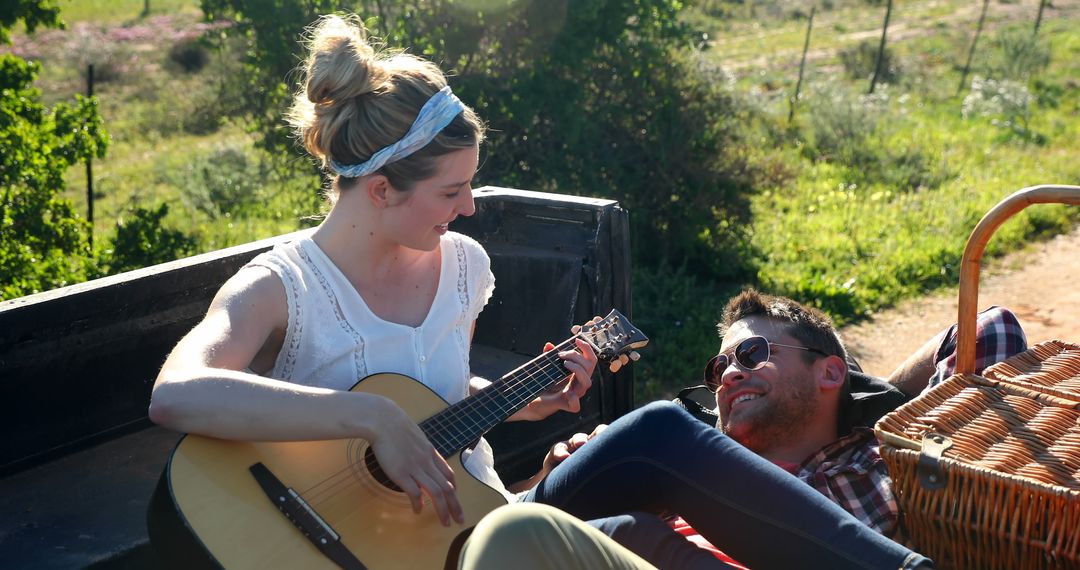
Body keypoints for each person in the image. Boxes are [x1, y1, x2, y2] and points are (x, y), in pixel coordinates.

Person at [147, 13, 598, 529]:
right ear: (381, 190)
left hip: (469, 521)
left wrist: (519, 402)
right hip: (353, 540)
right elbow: (175, 394)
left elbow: (435, 398)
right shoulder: (279, 286)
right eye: (451, 191)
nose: (470, 207)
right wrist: (371, 416)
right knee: (652, 440)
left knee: (631, 472)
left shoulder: (465, 266)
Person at [506, 289, 1026, 569]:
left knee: (654, 439)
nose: (729, 373)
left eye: (753, 354)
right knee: (613, 530)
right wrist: (553, 475)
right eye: (718, 369)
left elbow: (990, 327)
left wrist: (863, 400)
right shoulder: (689, 475)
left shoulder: (882, 459)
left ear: (829, 372)